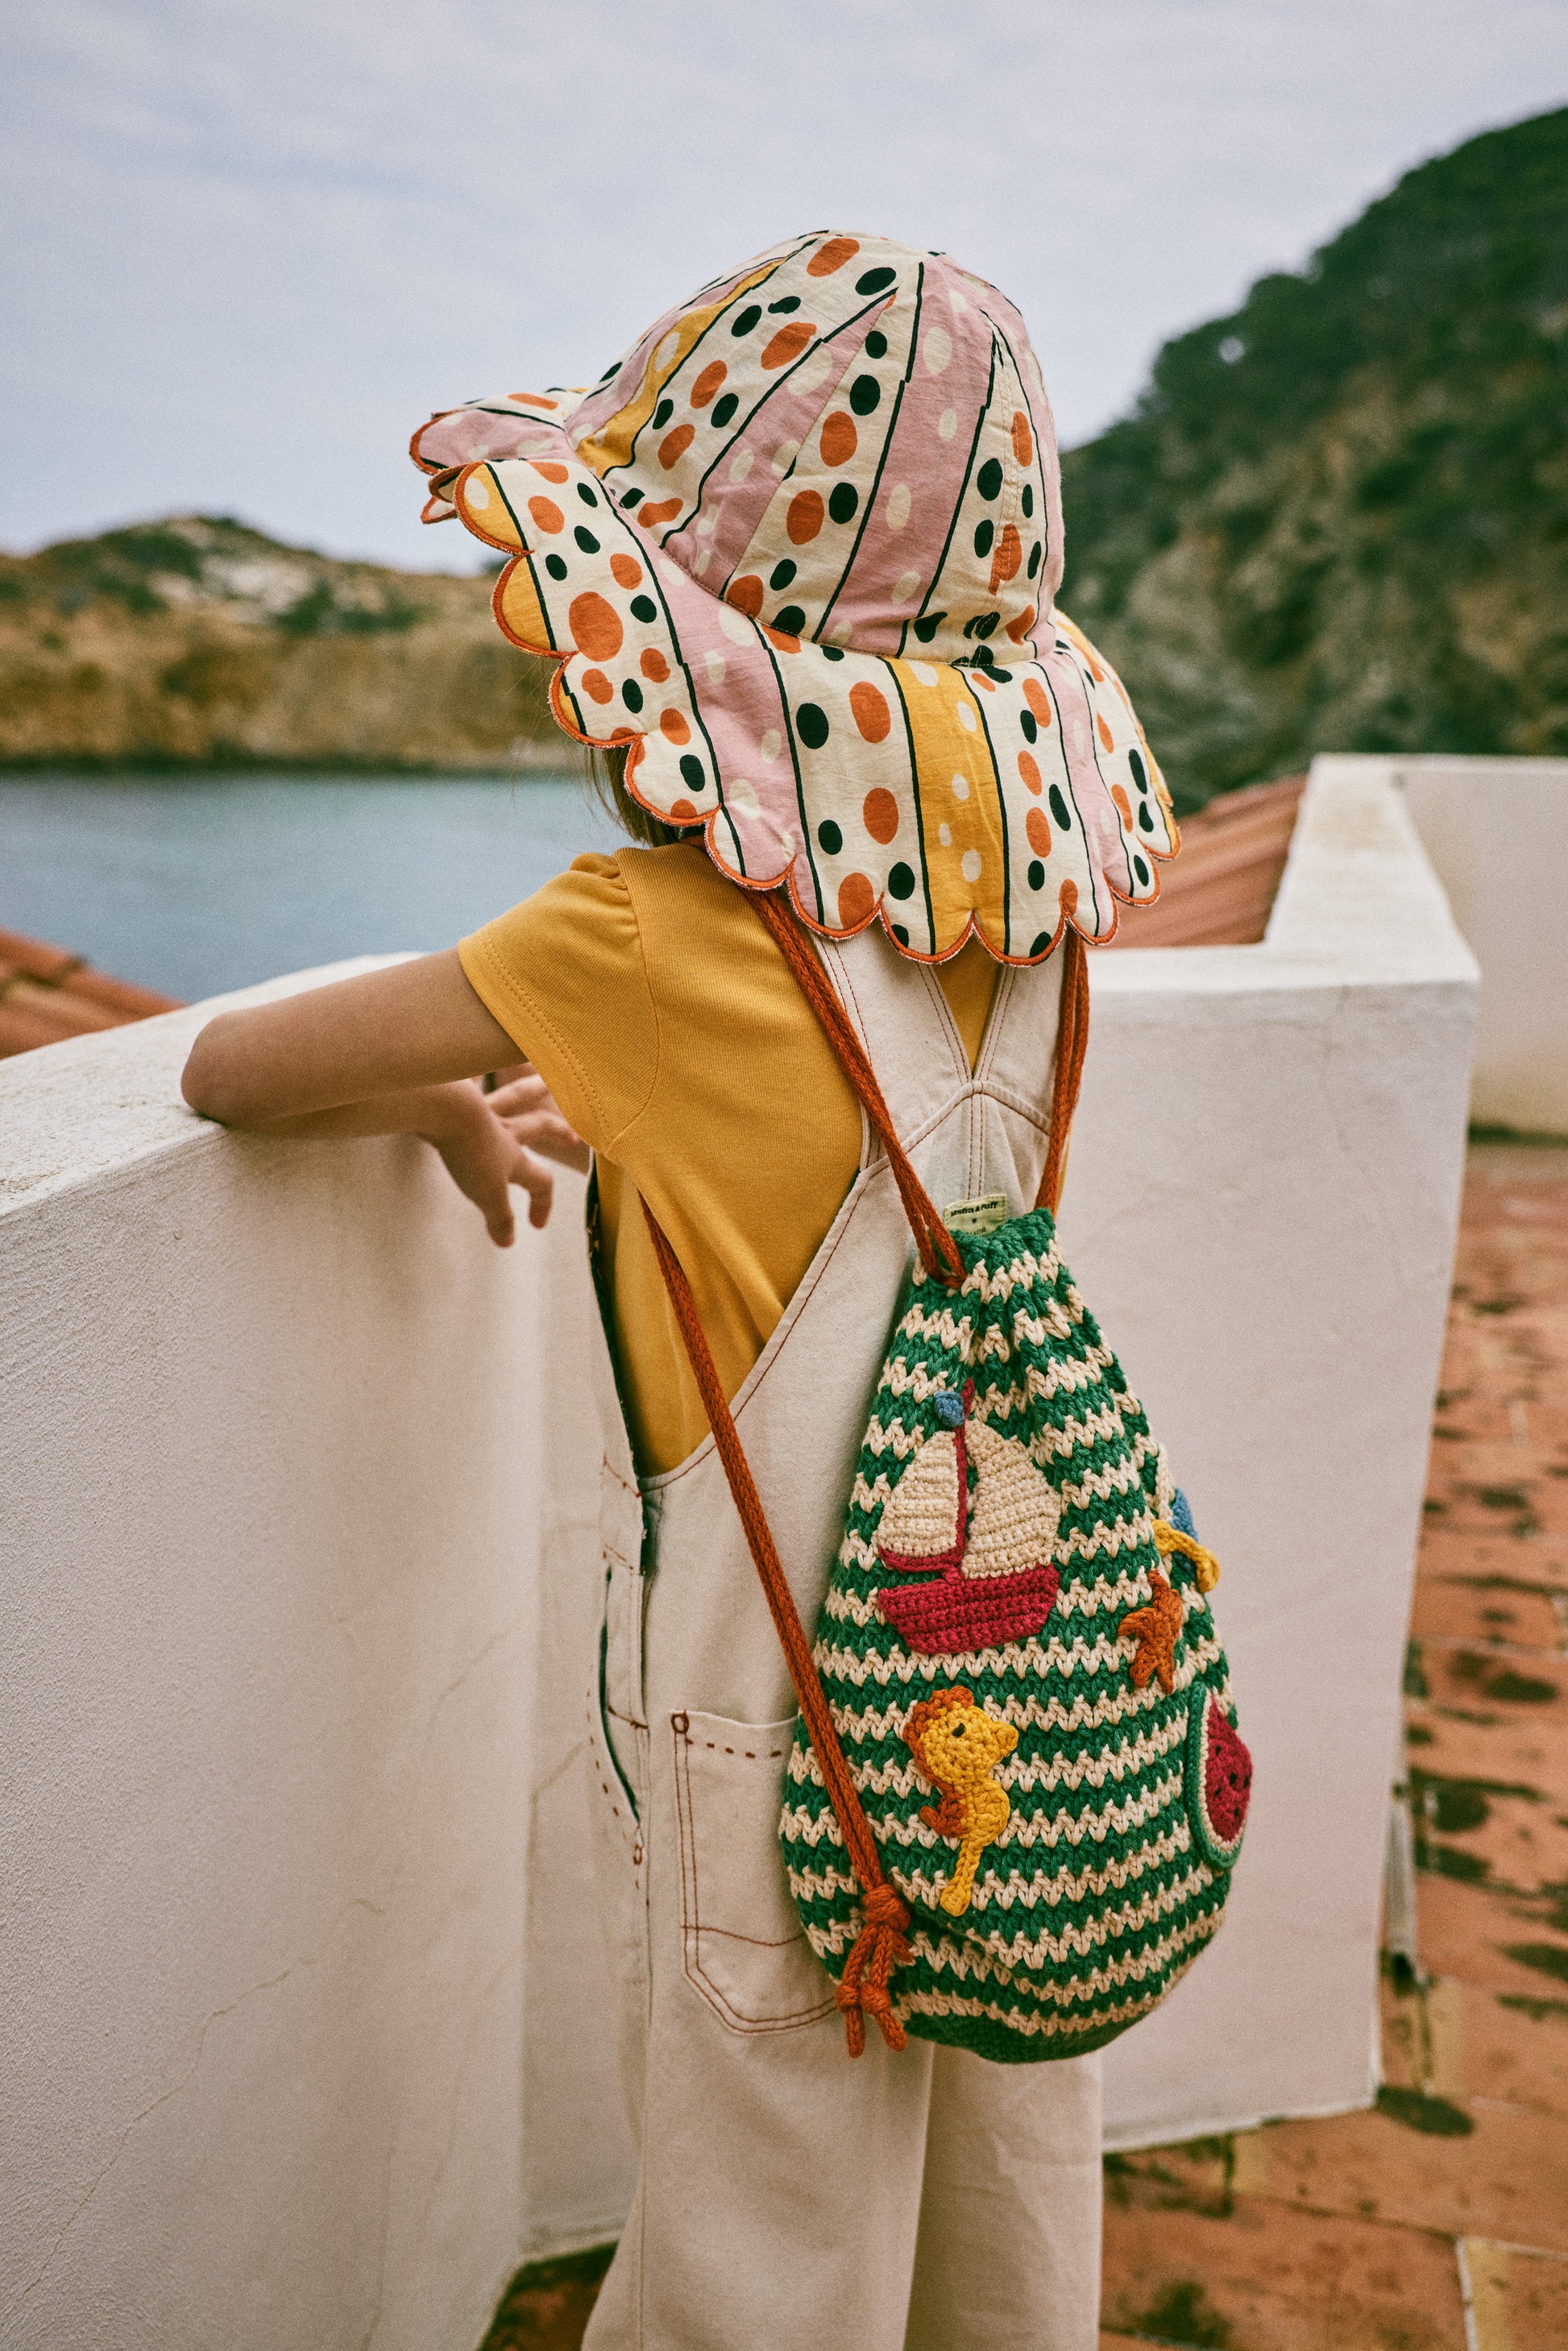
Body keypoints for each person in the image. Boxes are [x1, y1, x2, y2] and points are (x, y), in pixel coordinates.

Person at [182, 231, 1177, 2351]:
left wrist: (439, 1094)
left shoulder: (637, 940)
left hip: (776, 1720)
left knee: (758, 2249)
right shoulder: (1030, 935)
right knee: (1000, 2181)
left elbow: (230, 1074)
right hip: (1018, 1680)